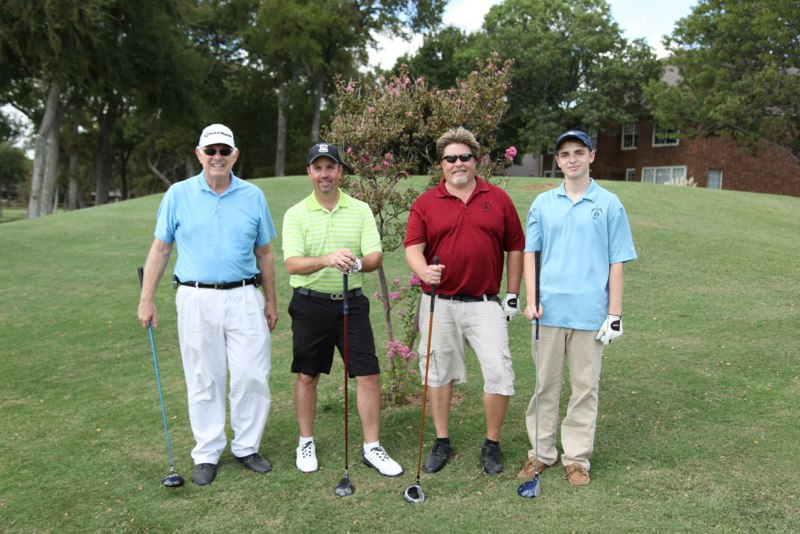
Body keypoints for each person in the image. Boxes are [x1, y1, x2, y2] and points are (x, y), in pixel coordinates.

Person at [137, 124, 278, 486]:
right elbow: (161, 248)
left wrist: (271, 302)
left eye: (224, 151)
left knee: (252, 373)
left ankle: (247, 446)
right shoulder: (178, 194)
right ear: (199, 154)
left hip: (245, 295)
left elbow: (265, 252)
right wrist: (146, 299)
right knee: (203, 376)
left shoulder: (253, 196)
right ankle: (207, 452)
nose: (218, 157)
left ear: (235, 155)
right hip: (196, 296)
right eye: (211, 150)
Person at [518, 130, 637, 486]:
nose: (572, 159)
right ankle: (541, 453)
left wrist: (614, 314)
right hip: (549, 312)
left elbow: (617, 261)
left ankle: (577, 459)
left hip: (590, 313)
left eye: (579, 152)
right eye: (566, 154)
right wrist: (531, 299)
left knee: (585, 387)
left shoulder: (610, 204)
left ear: (591, 156)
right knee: (544, 385)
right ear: (557, 161)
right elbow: (530, 253)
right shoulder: (543, 203)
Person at [404, 126, 525, 475]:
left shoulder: (498, 198)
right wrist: (423, 271)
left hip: (485, 303)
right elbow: (413, 247)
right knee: (437, 372)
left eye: (465, 157)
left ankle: (492, 443)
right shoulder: (426, 203)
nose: (458, 163)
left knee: (499, 370)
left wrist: (513, 293)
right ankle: (441, 440)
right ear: (441, 164)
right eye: (450, 158)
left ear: (476, 160)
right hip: (439, 302)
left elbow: (516, 246)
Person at [282, 142, 403, 477]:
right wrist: (328, 259)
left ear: (340, 172)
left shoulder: (360, 210)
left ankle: (372, 446)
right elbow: (292, 263)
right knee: (308, 375)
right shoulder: (296, 214)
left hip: (352, 304)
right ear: (309, 172)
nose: (325, 174)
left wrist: (357, 263)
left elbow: (375, 256)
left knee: (368, 373)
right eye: (318, 168)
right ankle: (305, 441)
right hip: (309, 304)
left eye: (330, 167)